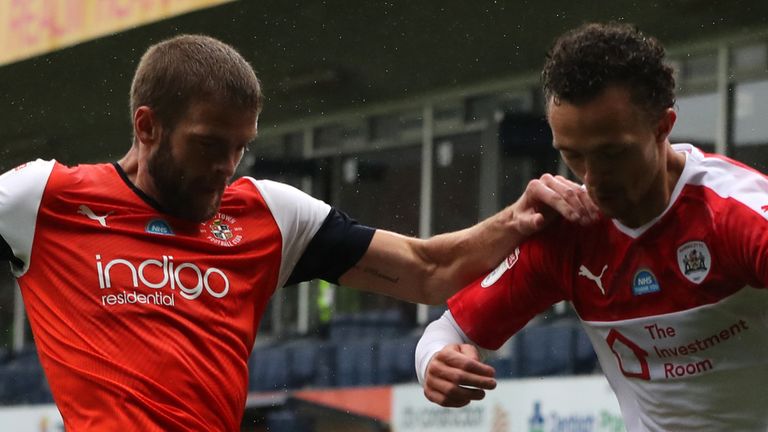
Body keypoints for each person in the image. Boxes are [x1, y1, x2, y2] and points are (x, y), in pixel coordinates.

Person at [0, 34, 594, 431]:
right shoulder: (46, 198)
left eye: (240, 147)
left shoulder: (270, 214)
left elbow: (426, 269)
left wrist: (516, 219)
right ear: (147, 126)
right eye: (209, 144)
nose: (226, 166)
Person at [416, 22, 768, 431]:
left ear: (662, 126)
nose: (593, 178)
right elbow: (448, 330)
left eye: (612, 154)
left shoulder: (735, 214)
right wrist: (434, 363)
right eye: (573, 155)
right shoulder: (572, 231)